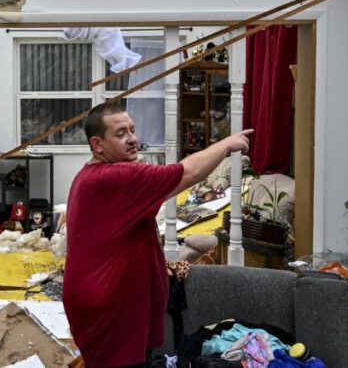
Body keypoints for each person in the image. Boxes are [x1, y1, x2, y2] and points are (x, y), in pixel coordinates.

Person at [63, 102, 252, 367]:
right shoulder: (115, 176)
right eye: (120, 134)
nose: (132, 139)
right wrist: (226, 145)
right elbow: (187, 173)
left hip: (110, 303)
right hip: (109, 309)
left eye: (132, 130)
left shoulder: (93, 174)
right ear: (97, 144)